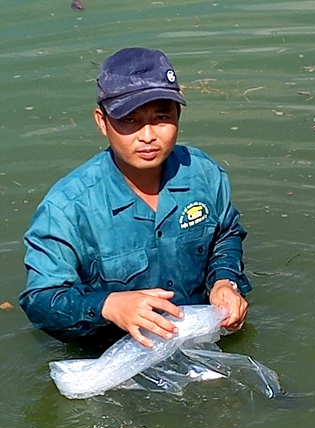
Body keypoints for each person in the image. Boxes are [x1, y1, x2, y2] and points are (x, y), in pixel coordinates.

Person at [19, 47, 251, 348]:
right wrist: (109, 306)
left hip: (201, 337)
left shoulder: (203, 174)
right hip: (112, 353)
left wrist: (224, 282)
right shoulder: (66, 208)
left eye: (161, 117)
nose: (147, 135)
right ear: (102, 122)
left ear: (178, 115)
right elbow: (40, 299)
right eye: (129, 120)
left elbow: (225, 233)